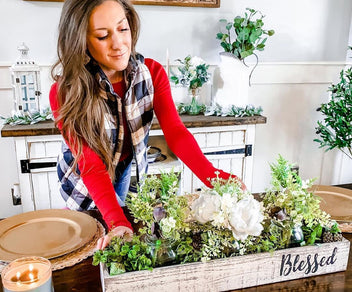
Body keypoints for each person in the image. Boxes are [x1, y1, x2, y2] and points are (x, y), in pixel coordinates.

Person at [50, 0, 246, 250]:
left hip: (123, 168)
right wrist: (117, 221)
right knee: (88, 239)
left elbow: (175, 133)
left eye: (123, 29)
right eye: (102, 36)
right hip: (81, 177)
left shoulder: (152, 74)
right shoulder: (64, 91)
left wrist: (215, 177)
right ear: (81, 41)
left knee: (118, 236)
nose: (119, 43)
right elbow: (89, 163)